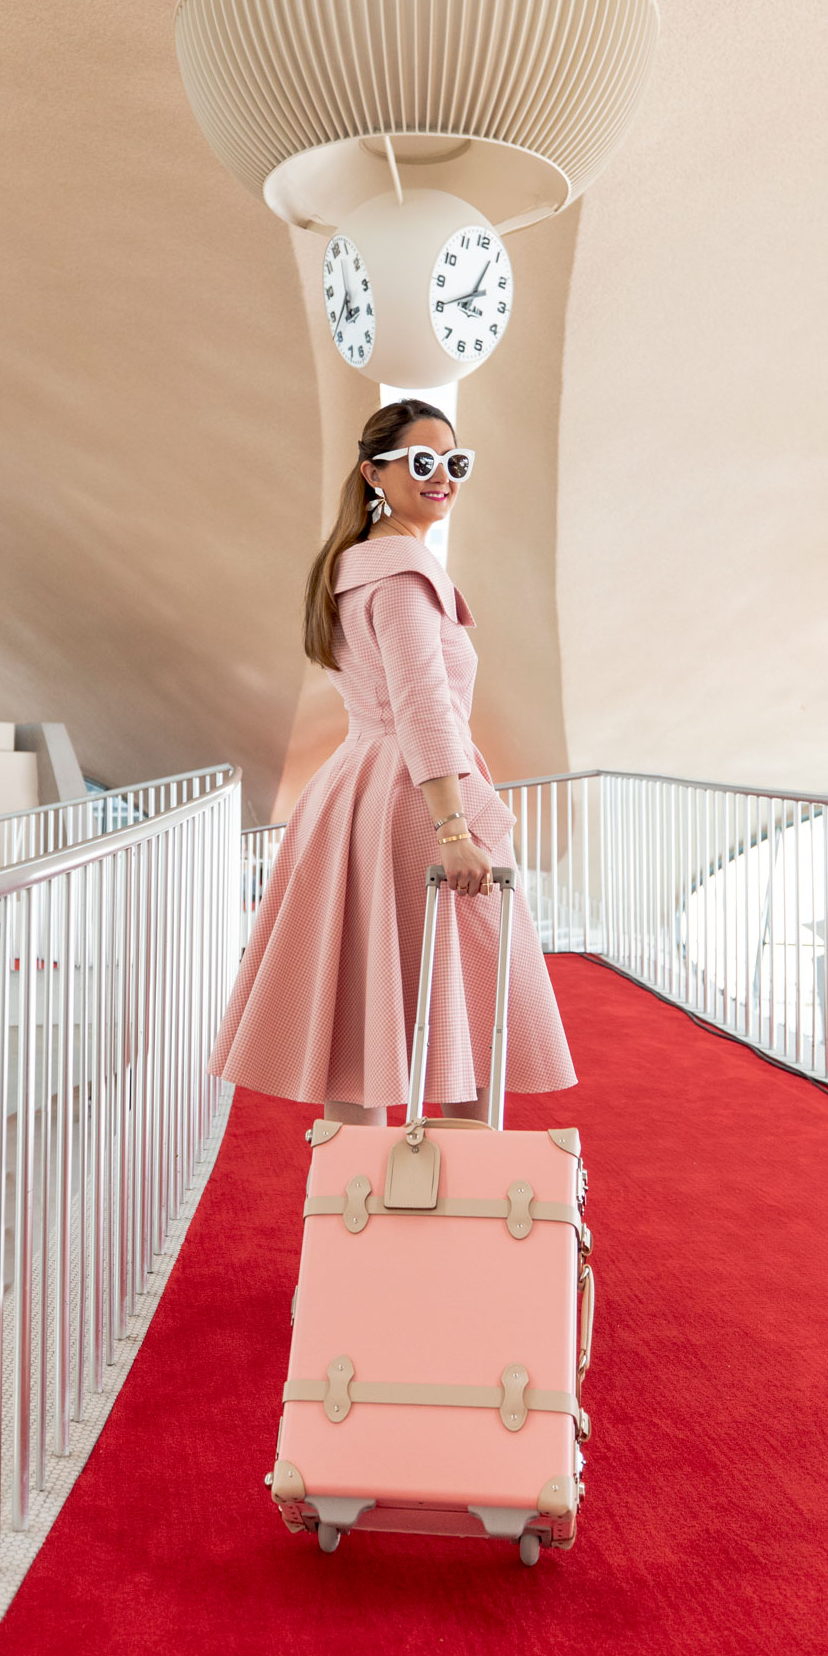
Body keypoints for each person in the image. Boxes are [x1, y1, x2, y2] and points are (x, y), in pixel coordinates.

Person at [208, 398, 575, 1123]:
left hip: (354, 794)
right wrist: (453, 828)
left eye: (454, 464)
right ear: (375, 472)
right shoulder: (405, 575)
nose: (442, 478)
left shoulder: (350, 566)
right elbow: (421, 705)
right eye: (423, 462)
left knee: (362, 1027)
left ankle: (357, 1221)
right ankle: (467, 1217)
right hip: (415, 800)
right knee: (471, 1009)